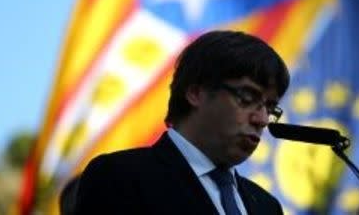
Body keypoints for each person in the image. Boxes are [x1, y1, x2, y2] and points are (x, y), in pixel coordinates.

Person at [75, 30, 290, 214]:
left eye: (270, 107)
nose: (262, 119)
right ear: (196, 92)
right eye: (247, 97)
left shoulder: (266, 206)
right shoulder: (120, 177)